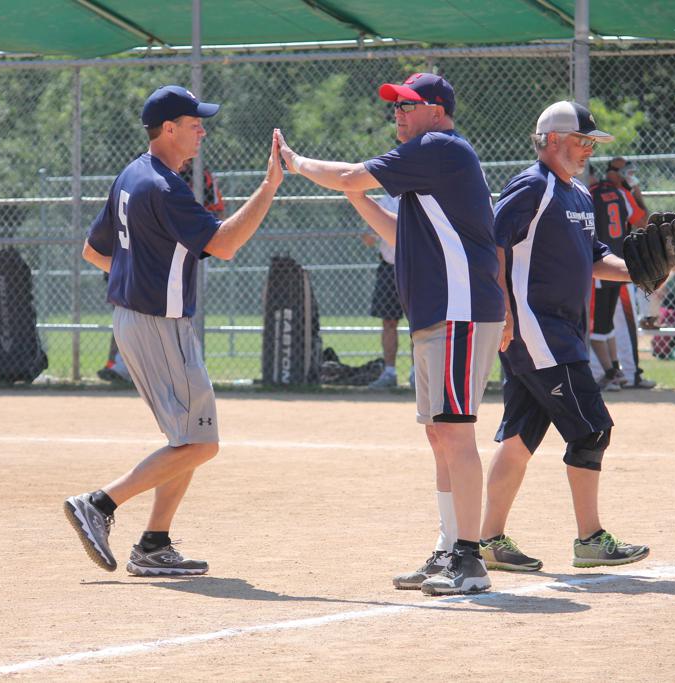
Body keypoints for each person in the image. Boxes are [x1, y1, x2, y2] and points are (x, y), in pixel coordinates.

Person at [277, 72, 508, 596]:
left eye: (409, 104)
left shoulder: (439, 148)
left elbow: (353, 172)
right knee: (438, 434)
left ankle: (469, 561)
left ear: (438, 110)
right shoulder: (426, 166)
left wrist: (298, 164)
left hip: (460, 310)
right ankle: (450, 546)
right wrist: (353, 192)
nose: (398, 113)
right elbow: (396, 232)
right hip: (436, 314)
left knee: (454, 429)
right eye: (395, 106)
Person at [63, 85, 283, 576]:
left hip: (139, 320)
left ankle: (155, 543)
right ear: (168, 130)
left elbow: (94, 250)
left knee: (187, 438)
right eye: (193, 122)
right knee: (201, 444)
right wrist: (268, 187)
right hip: (158, 325)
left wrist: (136, 277)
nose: (202, 129)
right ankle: (98, 504)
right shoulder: (164, 186)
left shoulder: (131, 175)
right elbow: (224, 245)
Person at [480, 101, 650, 574]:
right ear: (552, 139)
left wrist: (640, 270)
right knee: (592, 429)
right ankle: (591, 539)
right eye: (582, 141)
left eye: (592, 144)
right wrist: (503, 310)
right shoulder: (532, 185)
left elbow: (596, 257)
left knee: (519, 438)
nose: (588, 150)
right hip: (537, 330)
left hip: (558, 332)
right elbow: (492, 239)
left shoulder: (576, 194)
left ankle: (488, 541)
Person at [97, 162, 225, 387]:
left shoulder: (201, 177)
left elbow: (217, 214)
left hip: (185, 254)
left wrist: (188, 222)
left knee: (176, 313)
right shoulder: (147, 174)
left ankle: (176, 369)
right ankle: (120, 365)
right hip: (146, 252)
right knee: (132, 310)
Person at [590, 160, 656, 390]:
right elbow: (642, 222)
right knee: (611, 322)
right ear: (611, 173)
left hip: (601, 264)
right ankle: (624, 373)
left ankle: (615, 373)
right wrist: (636, 191)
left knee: (603, 322)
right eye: (625, 173)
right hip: (618, 264)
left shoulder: (589, 192)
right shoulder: (620, 193)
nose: (629, 177)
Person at [361, 193, 407, 389]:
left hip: (418, 266)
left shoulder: (422, 194)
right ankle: (389, 372)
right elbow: (368, 238)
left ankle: (418, 373)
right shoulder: (386, 200)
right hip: (389, 267)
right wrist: (369, 234)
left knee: (422, 324)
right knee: (388, 322)